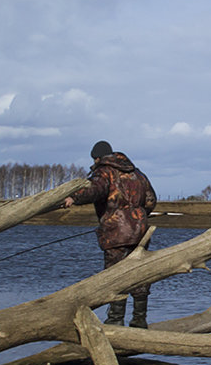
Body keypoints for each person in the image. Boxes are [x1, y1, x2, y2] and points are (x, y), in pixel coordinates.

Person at [63, 140, 157, 328]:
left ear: (98, 157)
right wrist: (136, 216)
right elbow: (151, 200)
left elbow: (94, 190)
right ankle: (139, 320)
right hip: (140, 231)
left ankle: (115, 320)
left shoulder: (105, 172)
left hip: (116, 232)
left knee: (115, 276)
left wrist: (74, 197)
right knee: (141, 273)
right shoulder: (137, 174)